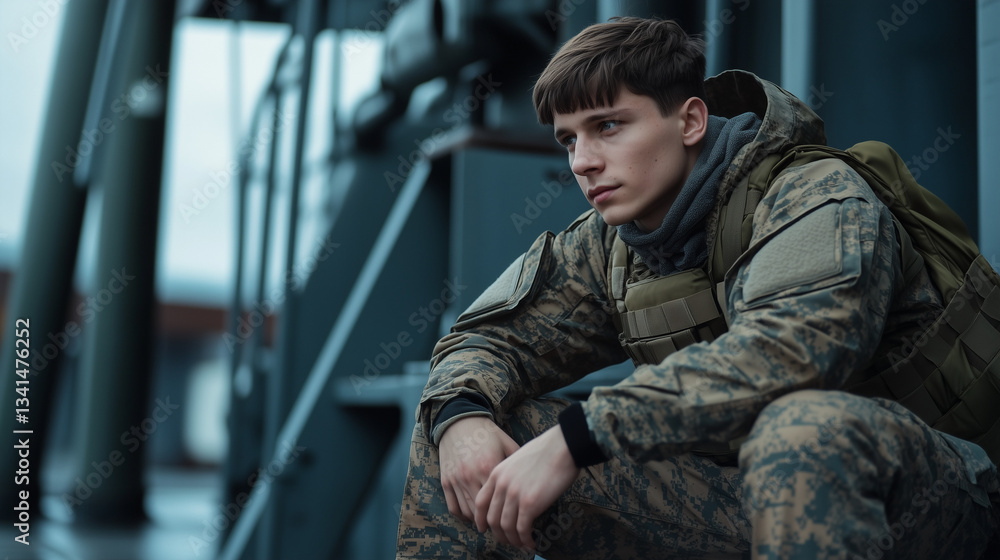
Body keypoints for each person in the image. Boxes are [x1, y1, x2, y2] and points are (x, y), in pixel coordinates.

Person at [394, 16, 999, 559]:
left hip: (936, 501)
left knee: (807, 430)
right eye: (569, 138)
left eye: (608, 126)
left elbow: (791, 355)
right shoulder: (611, 242)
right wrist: (459, 416)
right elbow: (485, 341)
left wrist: (579, 437)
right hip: (754, 503)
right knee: (473, 438)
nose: (582, 161)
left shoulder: (816, 195)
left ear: (689, 120)